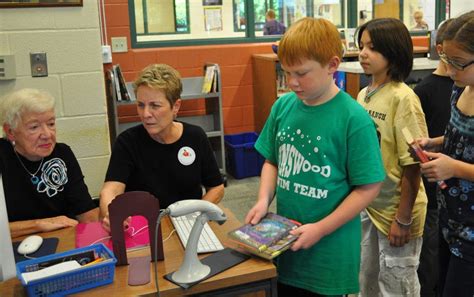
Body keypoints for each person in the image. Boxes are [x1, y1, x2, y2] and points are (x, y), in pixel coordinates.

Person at [245, 17, 385, 296]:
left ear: (332, 65)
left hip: (329, 257)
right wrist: (263, 200)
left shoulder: (353, 119)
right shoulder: (283, 106)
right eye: (286, 73)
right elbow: (272, 160)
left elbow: (368, 187)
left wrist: (320, 229)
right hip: (284, 247)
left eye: (301, 73)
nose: (292, 82)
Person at [99, 64, 224, 231]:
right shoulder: (127, 142)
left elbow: (216, 187)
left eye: (155, 106)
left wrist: (196, 215)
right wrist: (111, 212)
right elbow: (110, 190)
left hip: (188, 226)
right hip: (142, 229)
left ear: (176, 107)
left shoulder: (195, 137)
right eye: (141, 105)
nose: (145, 114)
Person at [356, 18, 429, 297]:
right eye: (361, 46)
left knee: (397, 287)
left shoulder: (404, 99)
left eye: (372, 48)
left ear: (393, 52)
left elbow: (413, 166)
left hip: (398, 211)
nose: (363, 53)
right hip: (371, 207)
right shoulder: (364, 94)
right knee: (368, 280)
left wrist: (403, 219)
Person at [416, 11, 474, 297]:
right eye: (446, 60)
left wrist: (455, 168)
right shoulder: (460, 89)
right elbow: (459, 135)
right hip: (450, 217)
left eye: (458, 63)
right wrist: (435, 142)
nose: (450, 71)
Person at [0, 88, 98, 238]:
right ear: (11, 132)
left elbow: (86, 213)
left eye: (51, 124)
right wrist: (38, 225)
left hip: (63, 241)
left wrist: (106, 223)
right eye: (34, 127)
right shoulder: (3, 156)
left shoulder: (63, 154)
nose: (47, 135)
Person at [413, 18, 454, 297]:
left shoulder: (465, 89)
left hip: (456, 192)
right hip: (432, 189)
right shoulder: (425, 90)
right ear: (441, 49)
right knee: (431, 257)